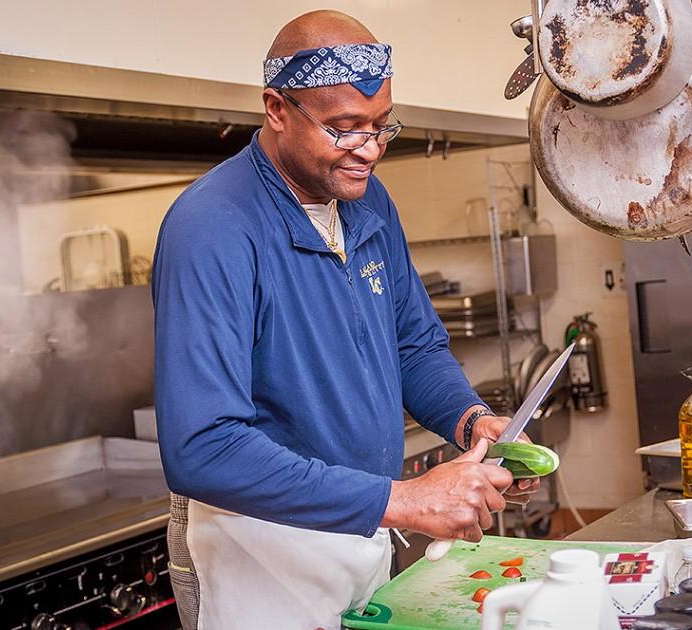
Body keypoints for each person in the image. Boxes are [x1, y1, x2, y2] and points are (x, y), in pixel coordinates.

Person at [152, 10, 543, 629]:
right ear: (277, 109)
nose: (371, 150)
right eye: (344, 129)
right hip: (259, 551)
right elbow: (203, 447)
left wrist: (469, 421)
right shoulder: (214, 228)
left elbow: (412, 345)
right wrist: (406, 499)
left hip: (363, 527)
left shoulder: (367, 204)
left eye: (382, 126)